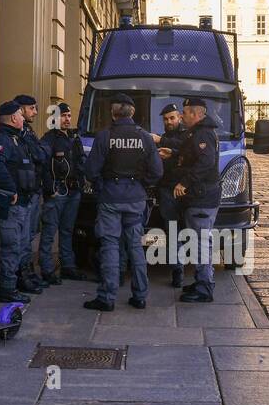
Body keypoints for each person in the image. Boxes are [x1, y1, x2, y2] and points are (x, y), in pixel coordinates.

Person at [83, 95, 162, 312]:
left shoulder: (104, 136)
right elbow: (156, 171)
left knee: (109, 245)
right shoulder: (145, 137)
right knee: (136, 246)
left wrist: (101, 186)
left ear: (113, 113)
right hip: (135, 198)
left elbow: (90, 171)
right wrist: (141, 186)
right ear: (132, 112)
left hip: (110, 196)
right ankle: (140, 296)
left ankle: (107, 297)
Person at [0, 101, 36, 304]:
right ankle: (7, 288)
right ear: (14, 118)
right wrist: (11, 190)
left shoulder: (18, 138)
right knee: (11, 246)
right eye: (20, 115)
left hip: (23, 202)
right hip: (11, 204)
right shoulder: (1, 140)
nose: (24, 118)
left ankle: (5, 284)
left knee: (21, 244)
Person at [172, 96, 221, 303]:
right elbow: (191, 156)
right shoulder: (199, 132)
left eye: (184, 112)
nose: (182, 116)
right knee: (198, 240)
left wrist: (185, 182)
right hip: (200, 196)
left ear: (195, 113)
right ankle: (202, 280)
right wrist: (173, 153)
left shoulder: (203, 133)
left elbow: (205, 162)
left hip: (202, 196)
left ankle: (204, 289)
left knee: (201, 242)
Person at [41, 103, 88, 283]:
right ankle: (46, 269)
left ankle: (67, 266)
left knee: (68, 231)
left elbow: (81, 161)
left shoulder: (74, 138)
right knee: (49, 232)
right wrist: (49, 188)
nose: (67, 119)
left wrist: (83, 182)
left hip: (74, 191)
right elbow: (43, 166)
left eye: (69, 115)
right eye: (63, 116)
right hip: (57, 192)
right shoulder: (48, 139)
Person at [151, 102, 189, 288]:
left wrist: (161, 142)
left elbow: (185, 147)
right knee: (173, 231)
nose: (169, 121)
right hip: (167, 190)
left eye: (172, 118)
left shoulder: (186, 134)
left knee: (190, 231)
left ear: (180, 117)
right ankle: (177, 270)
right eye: (166, 119)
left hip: (185, 190)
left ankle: (201, 276)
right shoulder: (166, 136)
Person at [14, 93, 49, 294]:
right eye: (32, 108)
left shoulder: (27, 130)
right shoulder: (21, 133)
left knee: (28, 235)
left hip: (33, 188)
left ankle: (27, 272)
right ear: (21, 110)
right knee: (23, 237)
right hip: (26, 191)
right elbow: (39, 155)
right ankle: (22, 275)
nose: (35, 112)